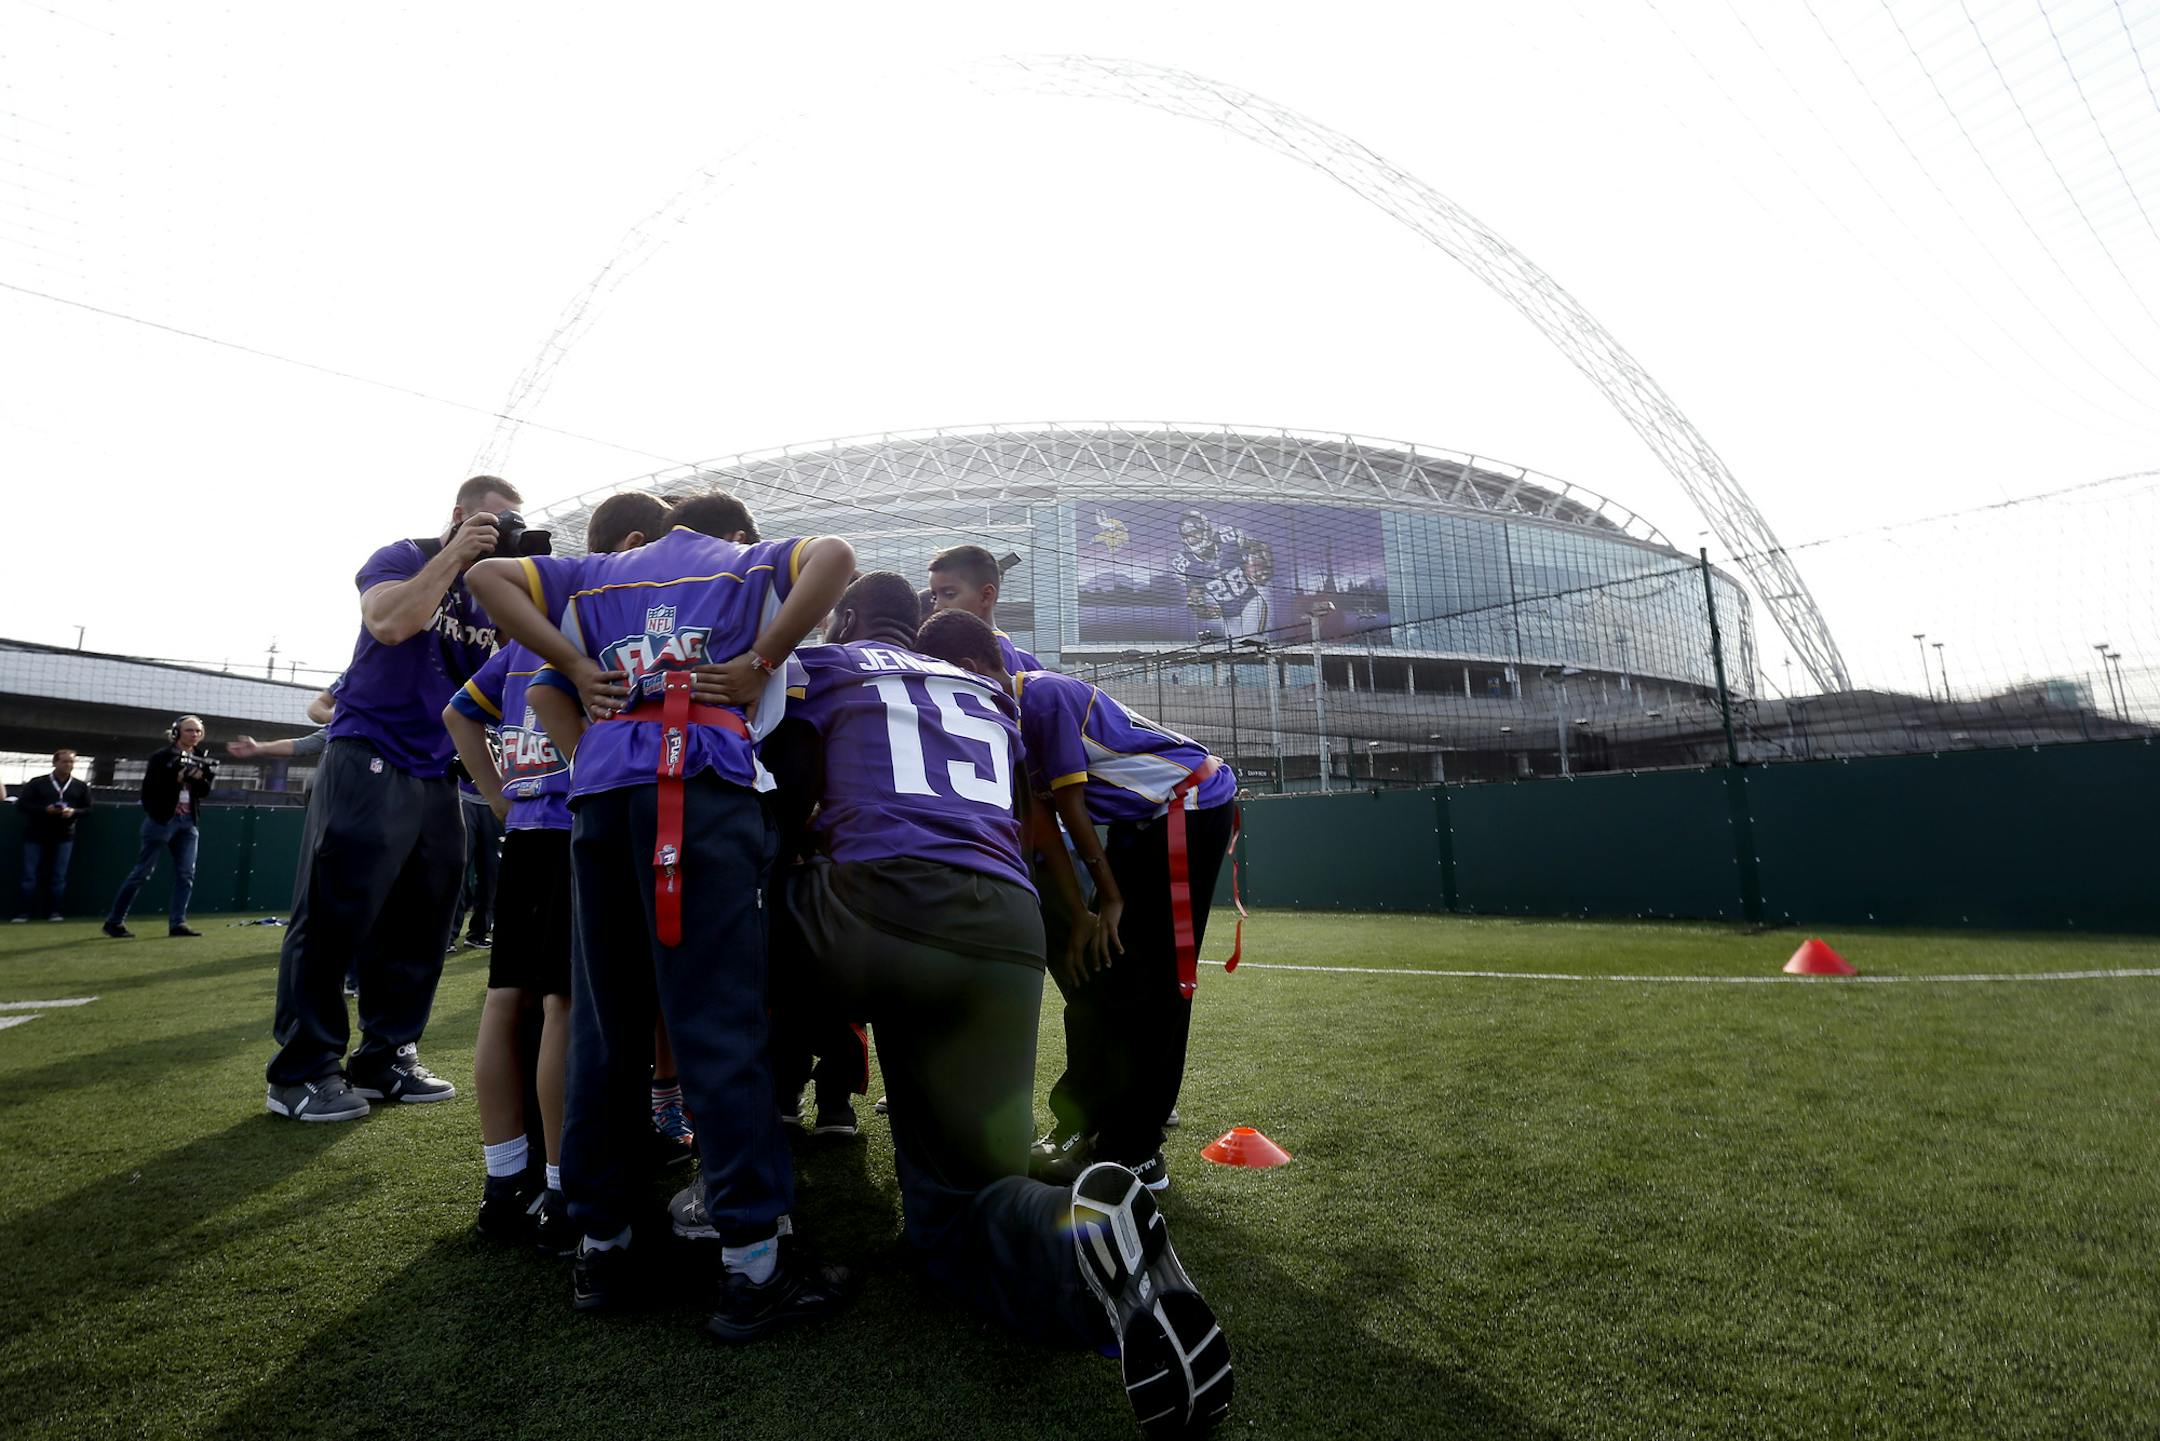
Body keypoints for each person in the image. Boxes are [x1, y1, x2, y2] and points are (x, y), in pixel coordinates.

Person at [743, 575, 1231, 1437]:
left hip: (868, 902)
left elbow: (774, 797)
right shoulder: (992, 691)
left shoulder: (821, 661)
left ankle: (743, 1209)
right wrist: (1077, 913)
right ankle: (1075, 1237)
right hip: (999, 927)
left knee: (727, 968)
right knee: (970, 1193)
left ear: (847, 620)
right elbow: (1032, 825)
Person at [468, 489, 856, 1335]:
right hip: (700, 788)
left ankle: (603, 1248)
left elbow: (490, 575)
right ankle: (755, 1266)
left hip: (601, 797)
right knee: (715, 1019)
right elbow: (835, 557)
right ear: (734, 533)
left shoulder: (597, 571)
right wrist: (761, 657)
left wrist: (574, 668)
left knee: (606, 1027)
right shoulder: (742, 562)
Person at [915, 611, 1238, 1195]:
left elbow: (1071, 809)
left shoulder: (1042, 697)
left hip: (1188, 809)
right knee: (1111, 976)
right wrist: (1084, 914)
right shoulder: (1011, 716)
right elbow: (1043, 829)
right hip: (1143, 824)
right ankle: (1092, 1127)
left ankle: (1136, 1152)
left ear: (967, 669)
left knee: (1155, 984)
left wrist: (1110, 899)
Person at [446, 491, 667, 1254]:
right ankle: (564, 1186)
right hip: (580, 828)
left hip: (529, 834)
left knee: (506, 1000)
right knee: (568, 1006)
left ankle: (503, 1182)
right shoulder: (595, 624)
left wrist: (503, 799)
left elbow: (459, 714)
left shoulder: (521, 637)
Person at [263, 475, 523, 1124]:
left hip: (439, 771)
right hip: (367, 750)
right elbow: (391, 621)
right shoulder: (404, 557)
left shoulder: (498, 594)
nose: (504, 533)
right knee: (333, 915)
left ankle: (386, 1055)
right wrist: (457, 553)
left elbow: (507, 684)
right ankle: (301, 1070)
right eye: (494, 522)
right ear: (461, 515)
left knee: (423, 921)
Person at [104, 718, 215, 939]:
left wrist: (198, 779)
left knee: (186, 874)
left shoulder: (203, 758)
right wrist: (176, 779)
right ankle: (114, 921)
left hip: (188, 821)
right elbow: (149, 790)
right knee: (142, 873)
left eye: (197, 731)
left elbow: (204, 791)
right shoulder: (160, 757)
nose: (194, 735)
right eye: (189, 730)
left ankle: (178, 923)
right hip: (162, 820)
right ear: (176, 733)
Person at [927, 543, 1040, 673]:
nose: (937, 607)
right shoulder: (1023, 659)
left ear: (986, 596)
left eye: (949, 594)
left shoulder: (989, 657)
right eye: (934, 597)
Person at [14, 750, 91, 922]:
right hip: (35, 834)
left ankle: (54, 912)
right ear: (55, 763)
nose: (68, 765)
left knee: (59, 876)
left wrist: (73, 812)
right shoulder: (38, 783)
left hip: (64, 836)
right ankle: (23, 913)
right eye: (64, 762)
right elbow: (22, 805)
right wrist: (44, 810)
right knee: (29, 875)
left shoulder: (80, 786)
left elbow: (88, 809)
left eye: (71, 762)